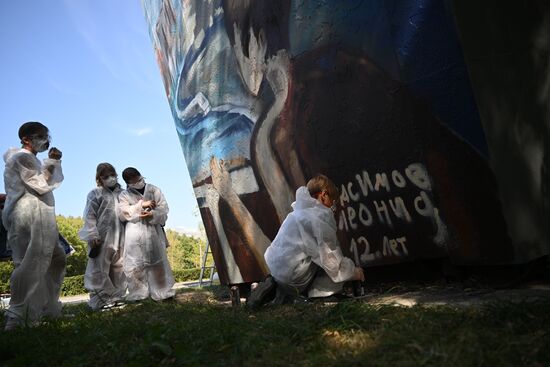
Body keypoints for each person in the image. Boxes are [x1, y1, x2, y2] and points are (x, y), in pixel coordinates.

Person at [248, 174, 365, 309]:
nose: (333, 207)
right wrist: (353, 272)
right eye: (333, 201)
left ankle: (277, 290)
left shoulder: (295, 214)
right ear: (324, 195)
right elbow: (332, 262)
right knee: (325, 260)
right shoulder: (319, 218)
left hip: (277, 271)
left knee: (313, 254)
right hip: (295, 278)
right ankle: (320, 294)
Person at [2, 121, 66, 330]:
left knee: (55, 257)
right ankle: (18, 315)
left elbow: (42, 181)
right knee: (31, 262)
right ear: (26, 139)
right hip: (29, 214)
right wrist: (53, 162)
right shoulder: (22, 157)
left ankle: (45, 307)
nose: (45, 141)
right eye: (40, 136)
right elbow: (41, 185)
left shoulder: (30, 159)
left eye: (47, 136)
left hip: (36, 214)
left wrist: (51, 163)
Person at [118, 167, 175, 302]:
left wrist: (153, 214)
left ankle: (163, 292)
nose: (138, 183)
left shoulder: (154, 190)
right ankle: (139, 294)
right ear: (128, 183)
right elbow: (123, 213)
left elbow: (164, 208)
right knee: (135, 265)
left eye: (139, 179)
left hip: (153, 232)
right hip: (134, 233)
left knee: (158, 262)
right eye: (134, 182)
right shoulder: (124, 195)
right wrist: (141, 205)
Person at [78, 163, 127, 310]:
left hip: (122, 237)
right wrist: (92, 234)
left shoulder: (123, 193)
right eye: (106, 176)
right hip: (102, 237)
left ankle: (117, 297)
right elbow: (90, 216)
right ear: (99, 178)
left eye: (112, 174)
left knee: (120, 267)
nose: (110, 178)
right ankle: (99, 300)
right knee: (99, 268)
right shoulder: (95, 193)